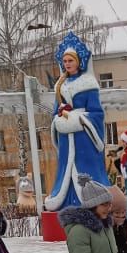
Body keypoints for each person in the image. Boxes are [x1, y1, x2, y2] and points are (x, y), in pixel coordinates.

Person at [44, 32, 109, 212]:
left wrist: (78, 119)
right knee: (66, 170)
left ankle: (90, 198)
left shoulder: (89, 83)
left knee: (84, 170)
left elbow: (97, 113)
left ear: (79, 61)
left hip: (84, 138)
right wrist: (58, 119)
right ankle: (67, 202)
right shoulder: (60, 85)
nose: (67, 64)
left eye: (70, 61)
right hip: (66, 138)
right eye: (64, 61)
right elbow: (56, 110)